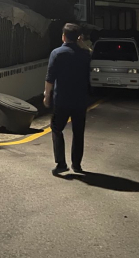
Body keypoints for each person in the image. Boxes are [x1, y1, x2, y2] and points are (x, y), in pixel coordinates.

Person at [44, 23, 91, 176]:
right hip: (80, 100)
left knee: (57, 129)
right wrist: (81, 43)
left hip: (62, 99)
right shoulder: (85, 54)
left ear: (63, 36)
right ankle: (76, 164)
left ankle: (61, 163)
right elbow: (90, 52)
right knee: (78, 132)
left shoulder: (57, 53)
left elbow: (50, 78)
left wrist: (47, 96)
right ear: (79, 37)